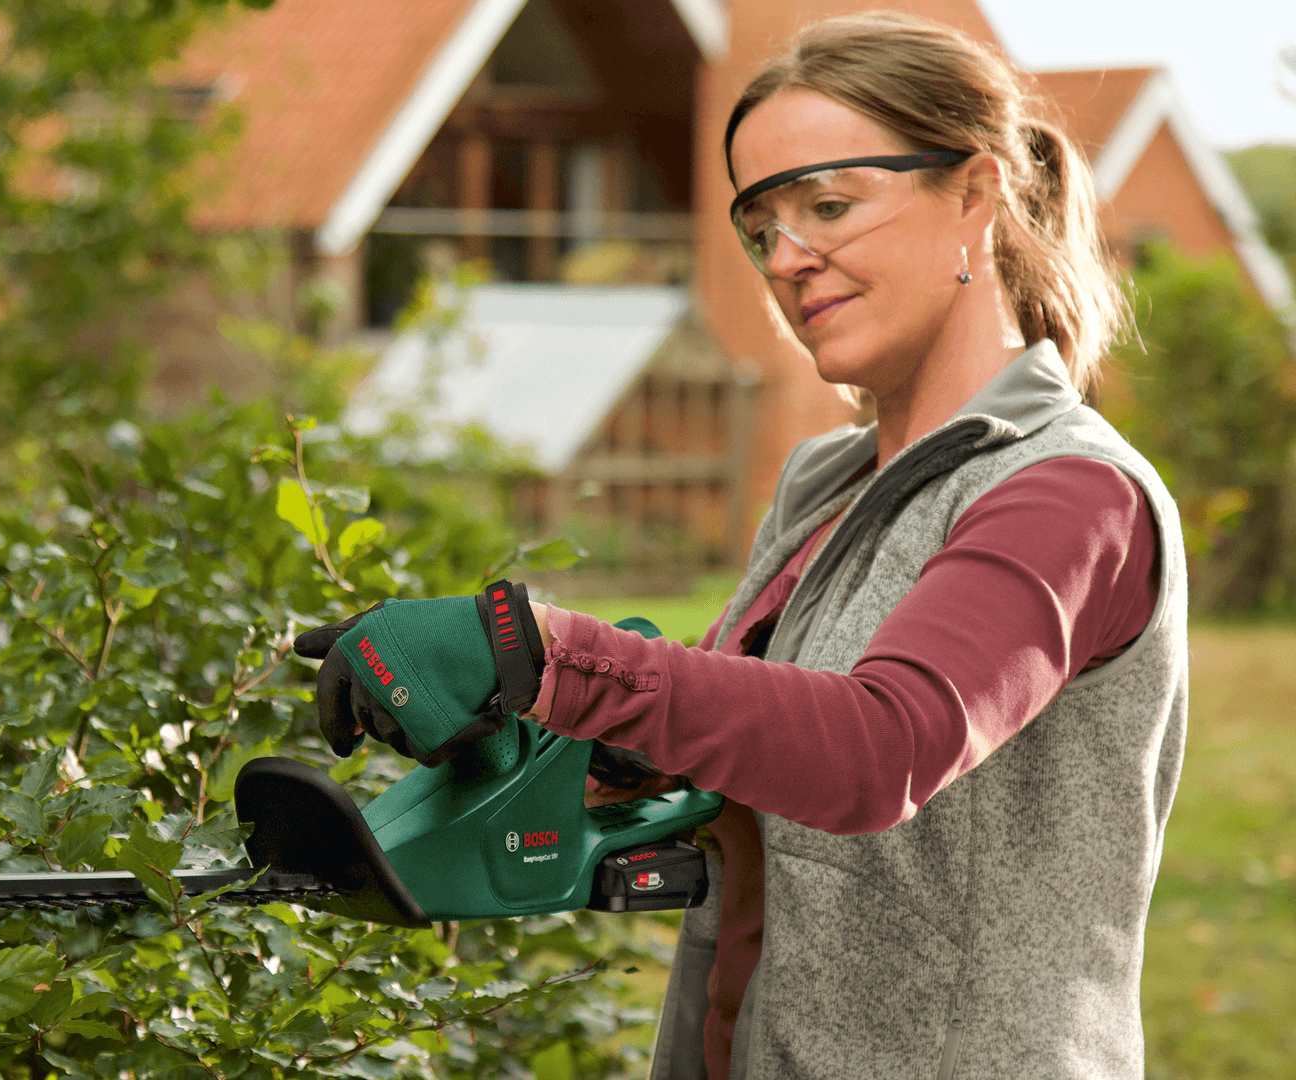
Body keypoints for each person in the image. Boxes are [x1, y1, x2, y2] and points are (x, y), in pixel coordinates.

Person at [296, 13, 1186, 1080]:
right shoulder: (827, 491)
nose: (787, 258)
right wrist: (548, 740)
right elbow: (739, 749)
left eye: (828, 205)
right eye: (760, 226)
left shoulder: (1069, 496)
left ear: (975, 195)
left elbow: (880, 750)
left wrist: (543, 652)